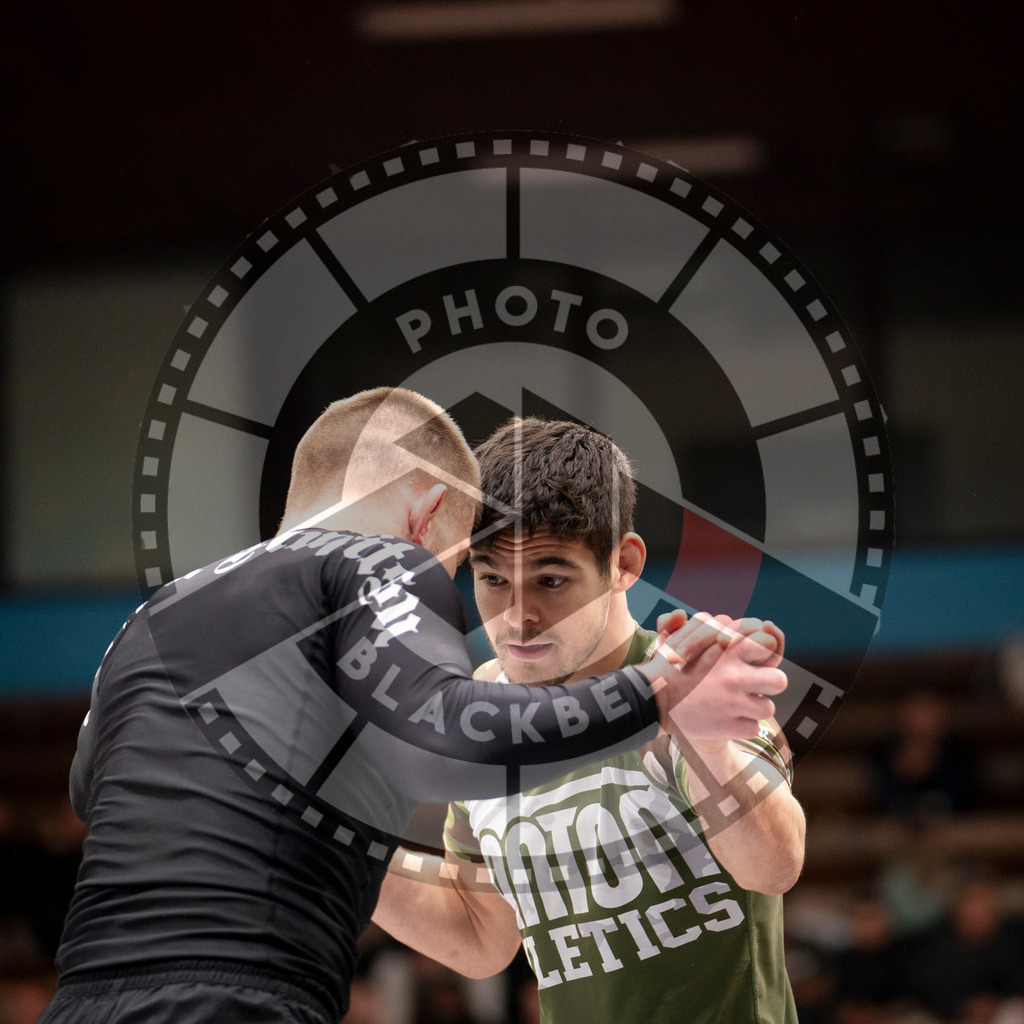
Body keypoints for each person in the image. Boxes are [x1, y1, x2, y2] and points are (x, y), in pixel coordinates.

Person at [38, 388, 771, 1024]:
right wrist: (660, 689)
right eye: (461, 569)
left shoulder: (157, 612)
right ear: (425, 520)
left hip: (84, 995)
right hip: (240, 994)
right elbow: (448, 739)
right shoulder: (374, 560)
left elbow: (89, 788)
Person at [373, 417, 804, 1024]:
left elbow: (775, 866)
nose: (519, 617)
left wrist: (705, 743)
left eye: (551, 578)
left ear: (622, 563)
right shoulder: (480, 716)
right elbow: (481, 938)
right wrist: (334, 842)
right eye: (493, 579)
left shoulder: (688, 679)